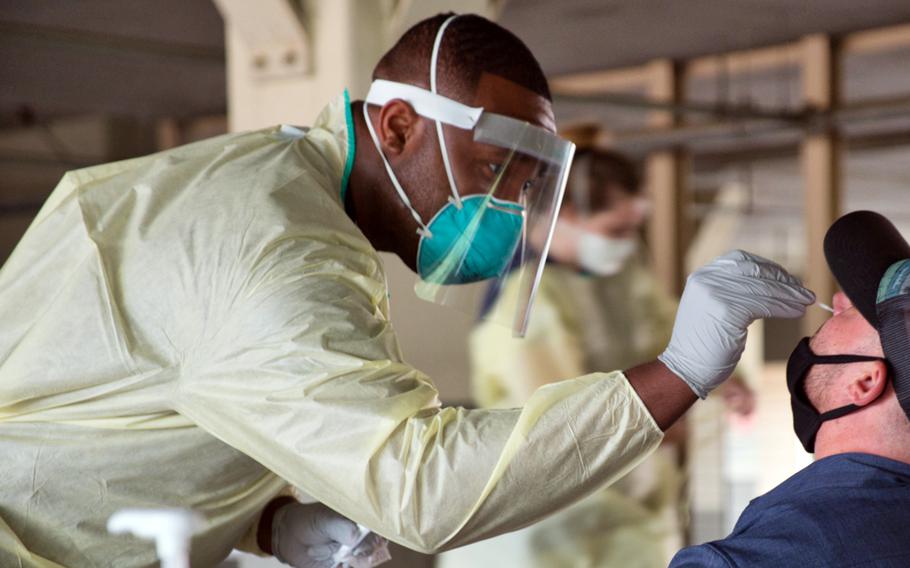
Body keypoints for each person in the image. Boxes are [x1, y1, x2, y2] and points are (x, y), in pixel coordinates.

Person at [0, 12, 813, 568]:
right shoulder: (275, 249)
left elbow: (111, 411)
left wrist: (263, 517)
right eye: (495, 169)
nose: (505, 210)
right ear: (397, 127)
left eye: (526, 187)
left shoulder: (280, 193)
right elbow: (420, 488)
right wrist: (678, 373)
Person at [438, 149, 751, 568]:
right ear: (563, 214)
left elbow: (673, 332)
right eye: (614, 229)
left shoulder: (623, 282)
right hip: (544, 536)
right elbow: (566, 427)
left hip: (623, 520)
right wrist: (663, 418)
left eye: (632, 230)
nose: (624, 244)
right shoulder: (527, 304)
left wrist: (729, 375)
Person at [670, 210, 910, 568]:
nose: (838, 299)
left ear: (864, 382)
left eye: (853, 311)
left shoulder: (785, 551)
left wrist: (674, 372)